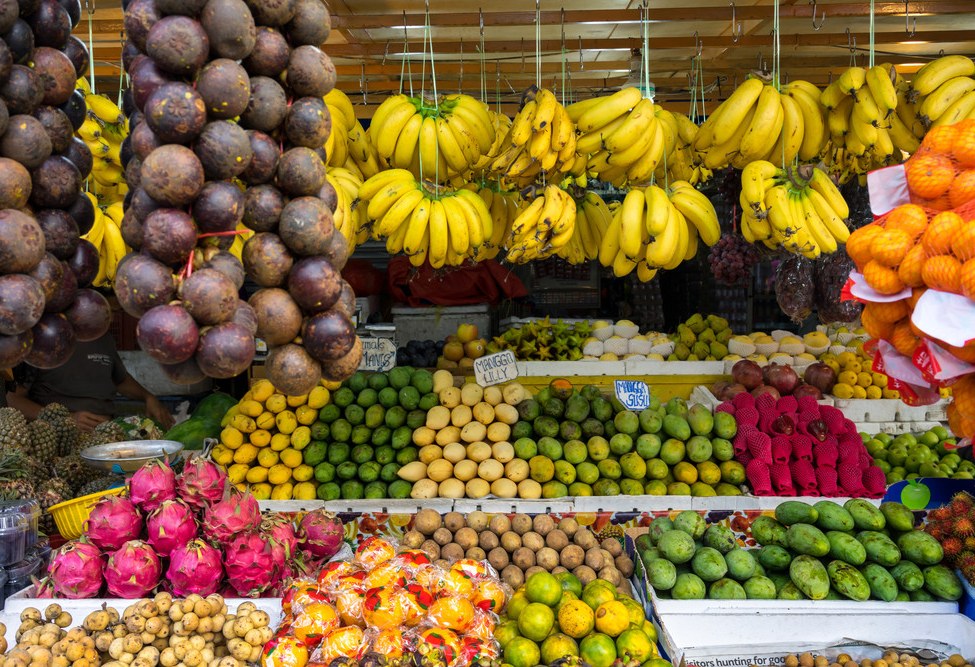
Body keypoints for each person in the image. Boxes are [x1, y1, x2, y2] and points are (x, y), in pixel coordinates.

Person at [6, 333, 174, 431]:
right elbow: (13, 400)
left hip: (107, 435)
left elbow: (119, 380)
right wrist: (66, 419)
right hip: (58, 438)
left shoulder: (102, 336)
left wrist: (148, 397)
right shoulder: (43, 339)